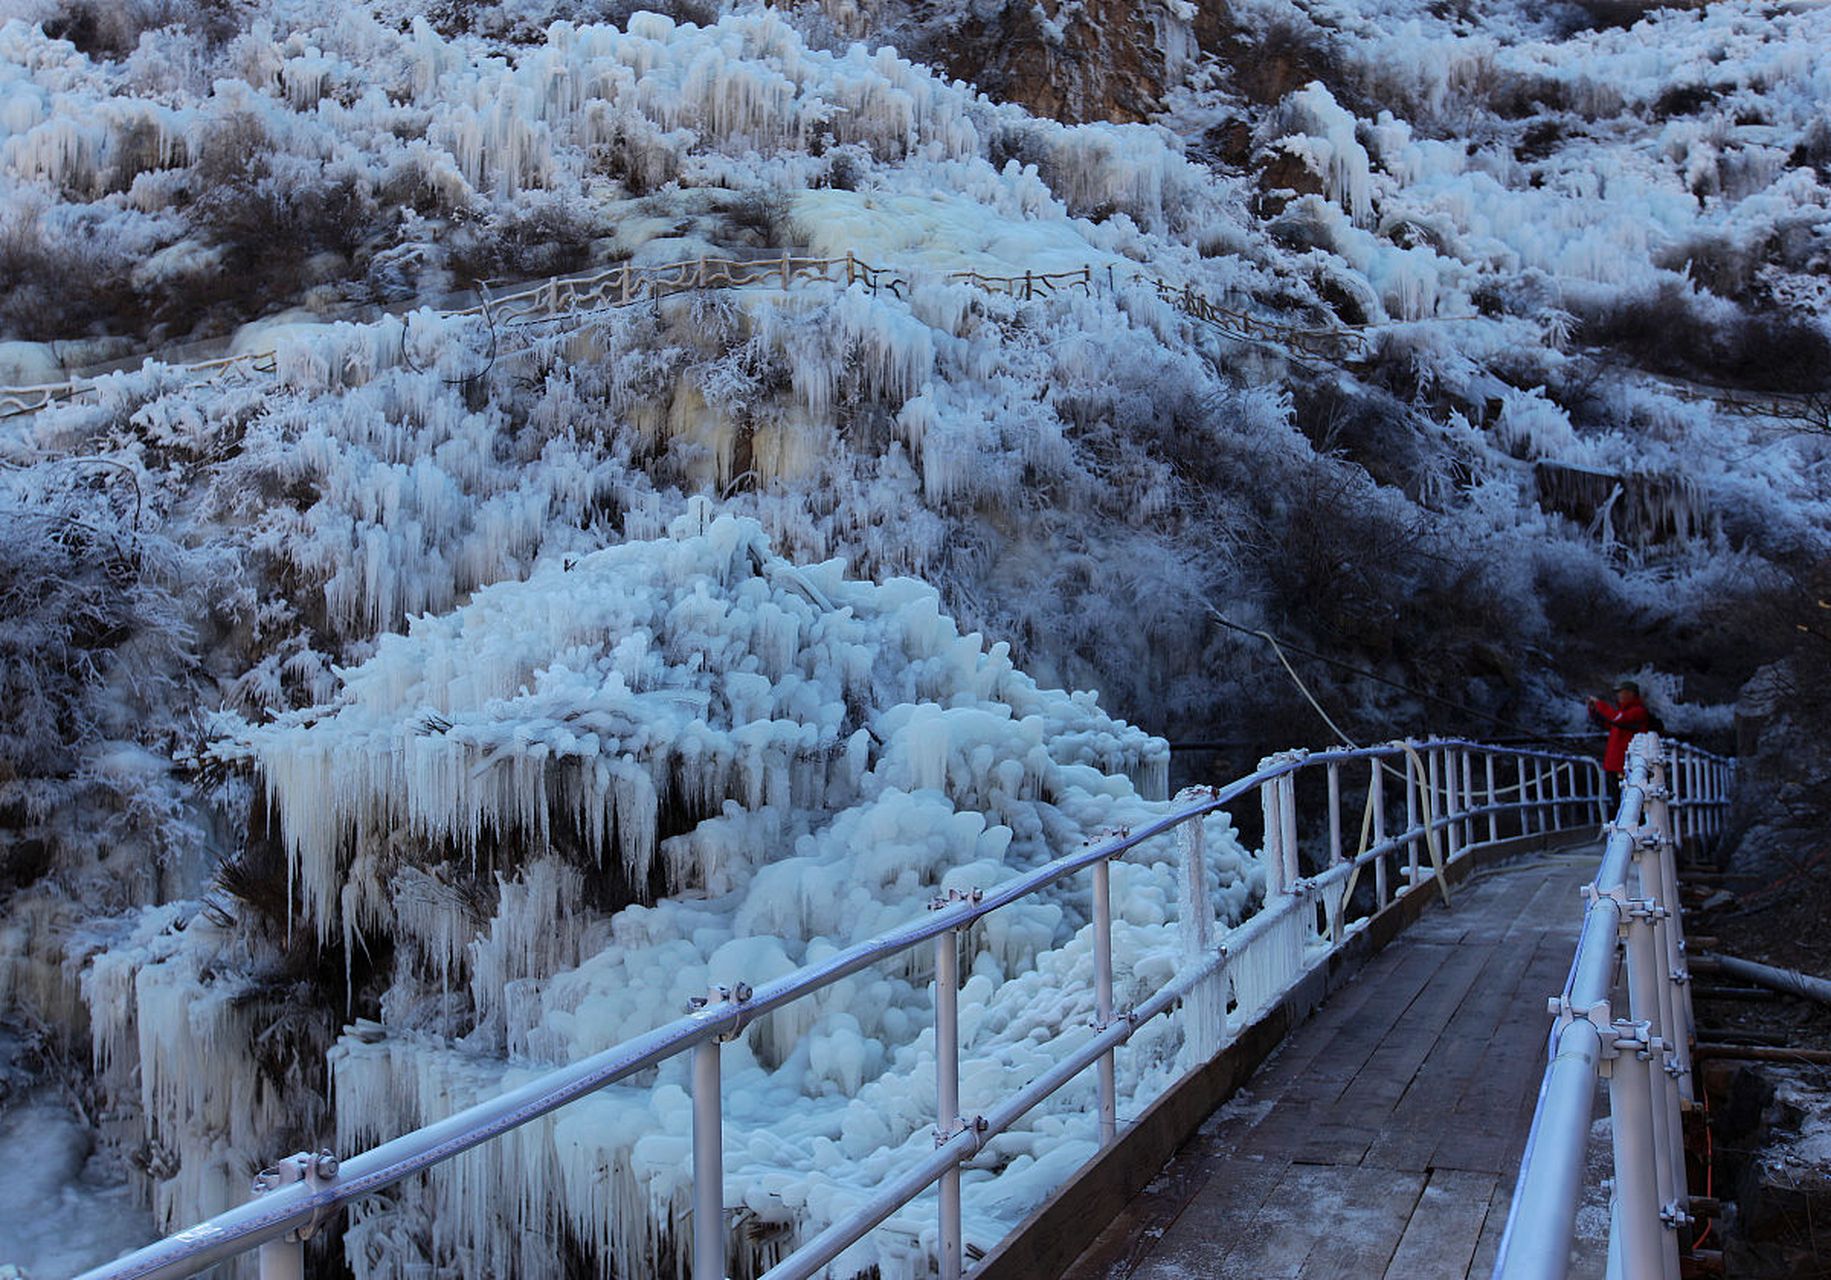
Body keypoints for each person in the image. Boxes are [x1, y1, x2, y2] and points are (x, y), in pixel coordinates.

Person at [1588, 681, 1652, 783]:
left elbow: (1617, 719)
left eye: (1622, 692)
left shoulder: (1638, 711)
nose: (1619, 695)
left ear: (1631, 693)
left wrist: (1600, 705)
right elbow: (1608, 724)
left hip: (1628, 766)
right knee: (1617, 796)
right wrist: (1594, 712)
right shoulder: (1622, 712)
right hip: (1615, 765)